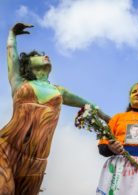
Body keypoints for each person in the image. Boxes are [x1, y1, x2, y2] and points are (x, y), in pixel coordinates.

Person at [0, 23, 110, 195]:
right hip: (6, 149)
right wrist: (12, 34)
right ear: (27, 64)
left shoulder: (59, 91)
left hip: (37, 161)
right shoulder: (19, 82)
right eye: (38, 55)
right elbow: (11, 56)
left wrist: (109, 119)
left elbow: (88, 105)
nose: (46, 56)